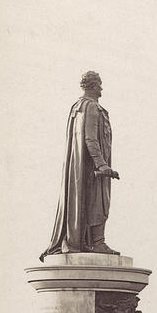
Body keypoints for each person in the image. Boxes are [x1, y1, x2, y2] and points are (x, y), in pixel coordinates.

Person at [40, 71, 120, 260]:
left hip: (81, 168)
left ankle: (89, 241)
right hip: (93, 169)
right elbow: (90, 138)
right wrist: (101, 165)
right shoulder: (91, 107)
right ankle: (98, 242)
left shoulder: (77, 107)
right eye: (99, 84)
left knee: (87, 202)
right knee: (99, 201)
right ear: (93, 86)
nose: (101, 88)